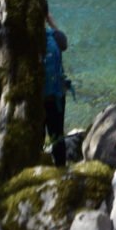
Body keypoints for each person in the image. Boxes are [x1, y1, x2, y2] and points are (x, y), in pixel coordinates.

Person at [44, 14, 71, 167]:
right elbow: (64, 44)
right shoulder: (55, 38)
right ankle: (61, 169)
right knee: (57, 136)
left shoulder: (25, 40)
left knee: (36, 137)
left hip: (35, 98)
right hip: (56, 97)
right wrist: (50, 21)